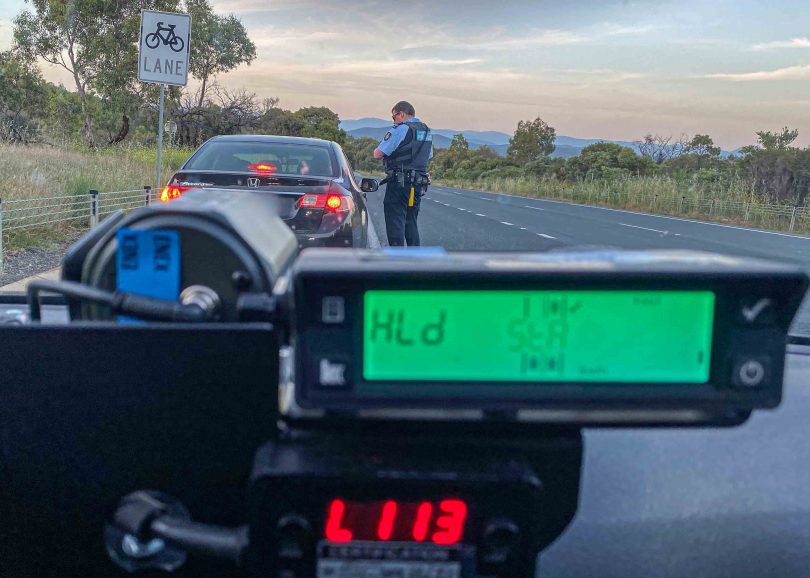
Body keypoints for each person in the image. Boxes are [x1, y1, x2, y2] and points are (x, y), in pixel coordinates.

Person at [373, 101, 433, 247]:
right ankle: (414, 260)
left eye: (394, 117)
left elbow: (378, 153)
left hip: (399, 183)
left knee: (395, 221)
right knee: (411, 221)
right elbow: (429, 156)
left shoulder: (400, 129)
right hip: (418, 184)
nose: (394, 121)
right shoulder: (426, 131)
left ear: (401, 114)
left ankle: (396, 261)